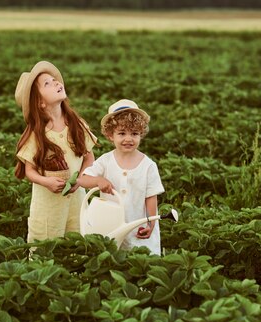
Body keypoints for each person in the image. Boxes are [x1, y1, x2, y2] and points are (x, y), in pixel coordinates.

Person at [14, 61, 98, 244]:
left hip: (76, 199)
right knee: (46, 244)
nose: (56, 83)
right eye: (47, 84)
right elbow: (29, 171)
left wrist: (81, 178)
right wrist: (47, 182)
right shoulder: (37, 134)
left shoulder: (77, 124)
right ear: (40, 102)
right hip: (48, 205)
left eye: (54, 80)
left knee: (77, 241)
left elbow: (89, 158)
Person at [77, 99, 165, 255]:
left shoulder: (148, 166)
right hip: (109, 224)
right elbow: (82, 179)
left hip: (137, 226)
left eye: (134, 134)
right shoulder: (105, 161)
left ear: (141, 134)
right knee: (111, 257)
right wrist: (98, 180)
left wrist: (151, 224)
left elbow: (151, 198)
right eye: (122, 133)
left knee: (140, 260)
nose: (128, 139)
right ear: (111, 135)